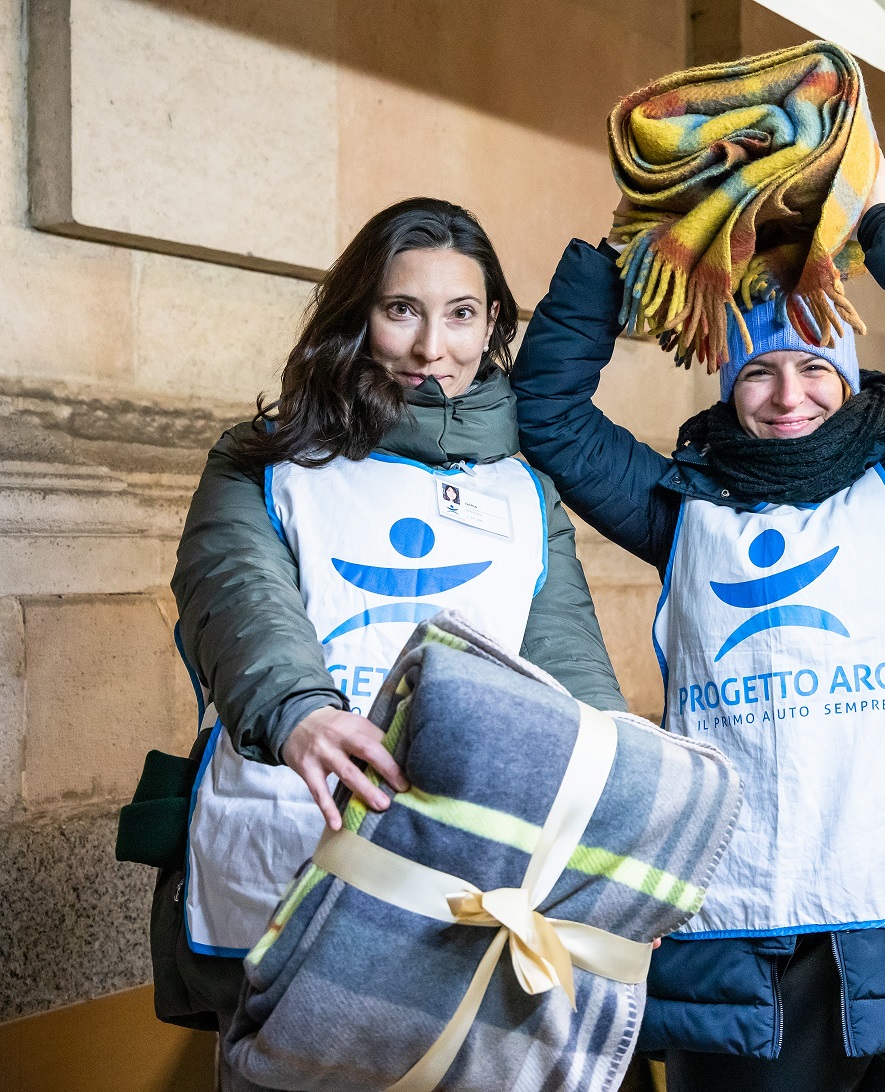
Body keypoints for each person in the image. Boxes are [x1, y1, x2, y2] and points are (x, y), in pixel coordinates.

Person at [509, 160, 885, 1092]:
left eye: (811, 368)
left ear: (846, 372)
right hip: (745, 939)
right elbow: (548, 413)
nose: (788, 394)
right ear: (727, 385)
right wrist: (621, 253)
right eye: (759, 371)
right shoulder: (677, 505)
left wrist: (876, 225)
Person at [167, 197, 627, 1040]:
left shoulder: (527, 490)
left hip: (464, 874)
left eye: (459, 315)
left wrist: (622, 786)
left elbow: (570, 666)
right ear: (358, 316)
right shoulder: (265, 460)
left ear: (492, 324)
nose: (430, 348)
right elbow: (235, 594)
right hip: (290, 841)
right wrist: (298, 711)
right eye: (401, 311)